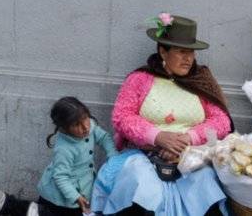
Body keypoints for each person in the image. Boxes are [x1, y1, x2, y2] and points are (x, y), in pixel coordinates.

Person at [91, 15, 233, 216]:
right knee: (140, 185)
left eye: (191, 52)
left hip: (191, 157)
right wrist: (157, 137)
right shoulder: (140, 79)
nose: (188, 58)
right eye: (181, 51)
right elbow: (122, 117)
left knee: (205, 184)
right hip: (144, 156)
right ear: (163, 51)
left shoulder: (202, 81)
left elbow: (221, 121)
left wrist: (187, 140)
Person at [0, 97, 117, 216]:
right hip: (61, 195)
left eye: (86, 118)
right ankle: (9, 204)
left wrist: (113, 156)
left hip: (79, 189)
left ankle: (19, 206)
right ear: (64, 128)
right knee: (50, 213)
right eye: (77, 125)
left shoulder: (89, 126)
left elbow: (104, 137)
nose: (85, 127)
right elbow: (60, 177)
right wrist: (75, 197)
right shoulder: (65, 149)